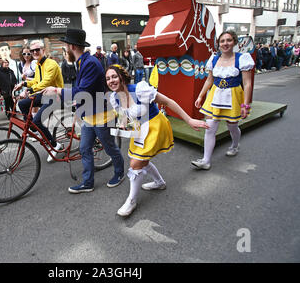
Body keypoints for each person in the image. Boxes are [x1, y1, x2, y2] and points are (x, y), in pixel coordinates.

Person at [105, 65, 208, 216]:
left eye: (114, 76)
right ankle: (159, 182)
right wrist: (123, 124)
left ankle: (131, 201)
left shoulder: (140, 89)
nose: (111, 81)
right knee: (140, 159)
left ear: (122, 77)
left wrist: (189, 120)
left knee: (135, 163)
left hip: (155, 125)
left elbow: (169, 102)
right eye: (108, 78)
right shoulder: (114, 97)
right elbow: (124, 115)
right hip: (140, 128)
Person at [42, 28, 125, 193]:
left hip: (101, 114)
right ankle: (88, 183)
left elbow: (82, 91)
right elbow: (83, 89)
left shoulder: (90, 63)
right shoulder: (83, 61)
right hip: (89, 113)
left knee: (110, 148)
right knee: (85, 148)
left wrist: (57, 90)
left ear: (72, 46)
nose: (65, 50)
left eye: (65, 47)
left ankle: (120, 173)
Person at [191, 30, 254, 170]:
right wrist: (201, 95)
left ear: (234, 42)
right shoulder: (213, 59)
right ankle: (206, 160)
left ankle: (235, 145)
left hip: (233, 96)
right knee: (210, 128)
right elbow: (209, 80)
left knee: (232, 126)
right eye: (222, 41)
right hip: (215, 95)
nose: (225, 43)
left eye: (229, 40)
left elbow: (247, 83)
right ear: (218, 44)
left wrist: (245, 104)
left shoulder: (242, 58)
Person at [14, 39, 64, 162]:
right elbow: (36, 81)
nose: (35, 52)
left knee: (37, 120)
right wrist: (24, 84)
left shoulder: (51, 64)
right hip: (44, 95)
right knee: (22, 104)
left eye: (37, 49)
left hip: (56, 97)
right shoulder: (38, 64)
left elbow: (45, 82)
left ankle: (54, 144)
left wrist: (30, 91)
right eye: (32, 51)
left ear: (43, 50)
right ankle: (33, 128)